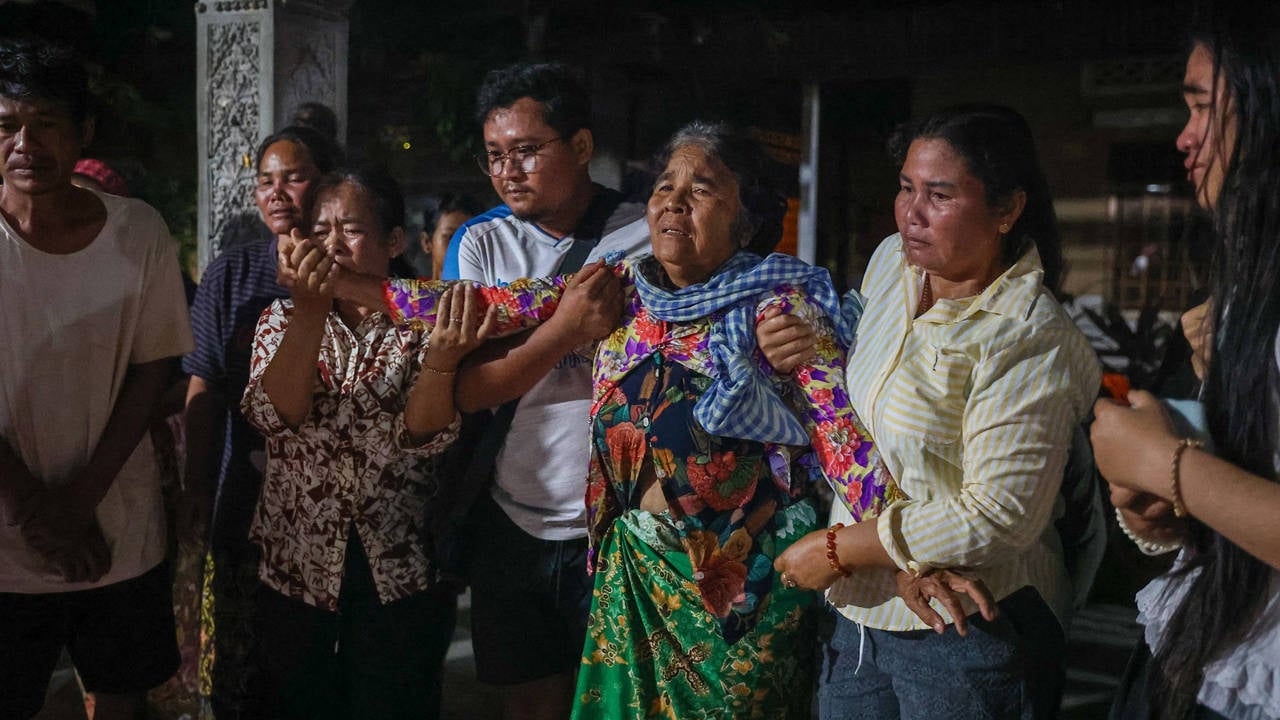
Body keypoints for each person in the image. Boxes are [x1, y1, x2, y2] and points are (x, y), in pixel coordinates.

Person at [347, 121, 889, 718]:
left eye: (702, 188)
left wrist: (897, 548)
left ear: (745, 219)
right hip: (632, 575)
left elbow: (844, 440)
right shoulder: (617, 292)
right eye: (664, 186)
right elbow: (485, 305)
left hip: (744, 594)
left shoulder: (781, 312)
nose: (674, 201)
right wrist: (348, 286)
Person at [770, 105, 1100, 719]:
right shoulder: (892, 264)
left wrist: (839, 550)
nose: (911, 213)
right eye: (906, 188)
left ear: (1007, 209)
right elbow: (857, 418)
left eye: (939, 195)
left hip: (968, 625)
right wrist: (799, 343)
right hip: (861, 612)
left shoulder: (1028, 334)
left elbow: (1000, 514)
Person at [441, 61, 649, 720]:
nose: (508, 171)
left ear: (581, 146)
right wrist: (566, 332)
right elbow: (467, 389)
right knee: (527, 703)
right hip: (514, 518)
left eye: (527, 151)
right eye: (495, 155)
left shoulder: (648, 233)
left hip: (625, 520)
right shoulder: (481, 243)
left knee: (618, 703)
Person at [242, 166, 487, 720]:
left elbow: (424, 439)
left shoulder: (424, 323)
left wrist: (441, 360)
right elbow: (276, 417)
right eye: (320, 230)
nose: (332, 244)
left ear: (394, 241)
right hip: (297, 564)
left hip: (397, 564)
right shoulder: (279, 318)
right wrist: (309, 312)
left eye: (351, 229)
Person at [1091, 12, 1280, 719]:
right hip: (1214, 641)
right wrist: (1169, 513)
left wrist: (1165, 465)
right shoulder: (1242, 289)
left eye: (1202, 106)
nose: (1185, 137)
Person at [0, 36, 194, 720]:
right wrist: (38, 509)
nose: (25, 144)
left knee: (119, 697)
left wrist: (79, 502)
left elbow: (151, 370)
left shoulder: (137, 233)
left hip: (117, 530)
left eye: (46, 122)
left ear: (83, 132)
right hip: (7, 541)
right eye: (7, 125)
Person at [182, 123, 340, 718]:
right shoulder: (231, 274)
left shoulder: (353, 271)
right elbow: (204, 381)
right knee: (239, 651)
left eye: (293, 178)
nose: (276, 192)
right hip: (243, 490)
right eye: (265, 181)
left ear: (325, 183)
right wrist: (197, 485)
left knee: (310, 661)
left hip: (327, 496)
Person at [418, 192, 483, 279]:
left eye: (472, 238)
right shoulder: (408, 287)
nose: (463, 246)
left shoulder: (493, 287)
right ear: (426, 242)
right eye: (451, 237)